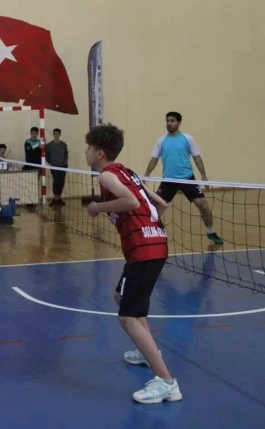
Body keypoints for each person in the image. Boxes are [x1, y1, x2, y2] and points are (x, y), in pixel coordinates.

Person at [85, 123, 182, 404]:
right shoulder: (128, 172)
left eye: (89, 148)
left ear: (99, 153)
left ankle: (167, 383)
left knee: (127, 317)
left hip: (143, 249)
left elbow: (130, 202)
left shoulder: (107, 176)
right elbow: (161, 203)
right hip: (154, 244)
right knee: (121, 296)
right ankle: (145, 350)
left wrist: (98, 208)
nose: (86, 152)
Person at [144, 111, 223, 245]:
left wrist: (203, 176)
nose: (169, 123)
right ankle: (151, 236)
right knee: (155, 209)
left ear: (179, 123)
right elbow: (154, 159)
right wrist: (147, 174)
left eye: (172, 121)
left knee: (203, 205)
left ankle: (211, 232)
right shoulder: (161, 141)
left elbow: (197, 157)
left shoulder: (188, 139)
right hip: (168, 181)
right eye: (167, 121)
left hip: (187, 178)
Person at [45, 128, 69, 206]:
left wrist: (65, 163)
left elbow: (66, 155)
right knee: (56, 182)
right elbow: (47, 156)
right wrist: (50, 163)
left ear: (60, 134)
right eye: (55, 133)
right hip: (54, 167)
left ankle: (59, 198)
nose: (56, 135)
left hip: (63, 166)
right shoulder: (49, 145)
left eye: (58, 133)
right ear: (53, 134)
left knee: (61, 182)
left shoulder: (63, 144)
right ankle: (55, 198)